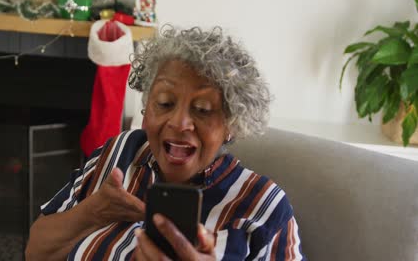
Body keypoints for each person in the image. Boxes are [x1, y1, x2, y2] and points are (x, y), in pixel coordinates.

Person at [25, 25, 305, 260]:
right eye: (165, 103)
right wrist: (93, 212)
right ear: (147, 109)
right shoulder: (120, 154)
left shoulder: (263, 207)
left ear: (231, 124)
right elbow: (35, 251)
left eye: (203, 109)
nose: (179, 123)